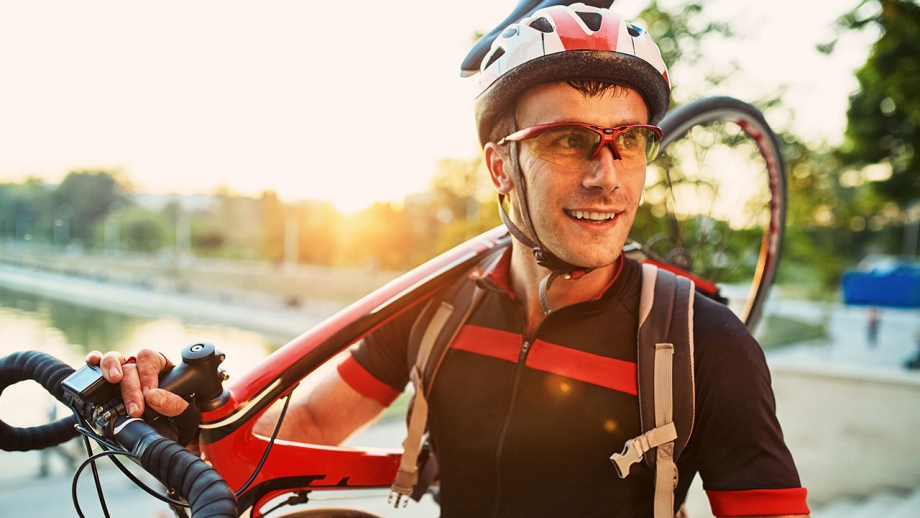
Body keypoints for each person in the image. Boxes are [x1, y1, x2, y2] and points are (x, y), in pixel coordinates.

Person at [88, 4, 810, 517]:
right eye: (568, 141)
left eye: (629, 140)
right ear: (501, 169)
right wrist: (177, 409)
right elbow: (303, 424)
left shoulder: (705, 346)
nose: (607, 175)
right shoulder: (436, 305)